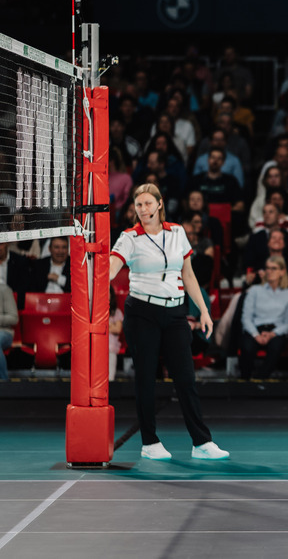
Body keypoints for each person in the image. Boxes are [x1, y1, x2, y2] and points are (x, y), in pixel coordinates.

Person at [109, 183, 229, 460]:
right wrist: (100, 273)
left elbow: (188, 274)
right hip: (142, 313)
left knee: (186, 378)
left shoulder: (177, 232)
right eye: (139, 205)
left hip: (175, 313)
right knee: (146, 379)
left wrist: (204, 311)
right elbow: (112, 268)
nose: (143, 209)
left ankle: (201, 442)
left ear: (160, 204)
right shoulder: (129, 237)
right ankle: (149, 442)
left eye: (148, 203)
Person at [239, 256, 288, 380]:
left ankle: (261, 380)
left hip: (276, 331)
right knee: (247, 347)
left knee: (276, 347)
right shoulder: (255, 290)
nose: (269, 271)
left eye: (274, 268)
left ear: (282, 271)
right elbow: (246, 317)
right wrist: (256, 335)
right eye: (267, 268)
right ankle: (244, 382)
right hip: (255, 329)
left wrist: (272, 334)